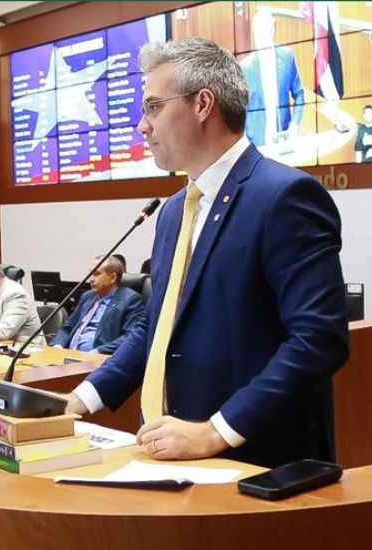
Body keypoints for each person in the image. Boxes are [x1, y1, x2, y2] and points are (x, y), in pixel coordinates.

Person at [64, 37, 350, 468]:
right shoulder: (175, 209)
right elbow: (157, 324)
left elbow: (318, 340)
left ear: (202, 104)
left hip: (254, 461)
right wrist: (79, 400)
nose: (143, 126)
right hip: (168, 450)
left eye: (153, 107)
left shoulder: (285, 197)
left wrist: (216, 431)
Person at [51, 255, 146, 355]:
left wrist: (98, 351)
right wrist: (58, 345)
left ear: (113, 277)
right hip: (69, 356)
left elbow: (130, 337)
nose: (91, 279)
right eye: (90, 274)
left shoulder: (130, 300)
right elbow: (68, 327)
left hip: (99, 360)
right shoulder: (87, 296)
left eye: (96, 274)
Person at [239, 12, 305, 147]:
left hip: (283, 138)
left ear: (272, 30)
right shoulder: (244, 67)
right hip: (256, 144)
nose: (260, 35)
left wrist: (294, 125)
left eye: (264, 29)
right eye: (257, 30)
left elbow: (300, 94)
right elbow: (240, 109)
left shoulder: (287, 57)